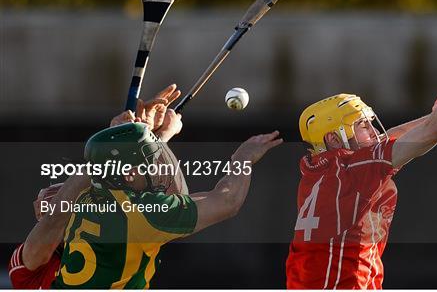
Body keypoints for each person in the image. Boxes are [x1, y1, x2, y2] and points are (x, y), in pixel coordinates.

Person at [286, 35, 437, 289]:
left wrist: (434, 116)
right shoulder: (354, 171)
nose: (373, 130)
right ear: (334, 139)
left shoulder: (320, 168)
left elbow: (391, 138)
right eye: (361, 125)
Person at [51, 110, 282, 287]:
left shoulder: (84, 194)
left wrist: (154, 136)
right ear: (129, 174)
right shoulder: (143, 213)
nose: (155, 168)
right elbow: (227, 201)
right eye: (149, 163)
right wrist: (243, 158)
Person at [8, 84, 184, 289]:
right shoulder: (27, 270)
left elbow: (155, 198)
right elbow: (54, 220)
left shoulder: (115, 233)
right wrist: (147, 141)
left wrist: (144, 140)